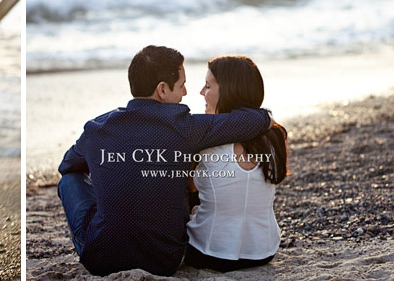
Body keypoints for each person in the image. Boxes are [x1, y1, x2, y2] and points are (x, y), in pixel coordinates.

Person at [57, 46, 274, 277]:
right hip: (164, 261)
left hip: (101, 259)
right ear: (162, 89)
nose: (186, 92)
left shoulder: (97, 129)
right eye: (181, 85)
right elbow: (255, 119)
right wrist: (268, 117)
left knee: (70, 180)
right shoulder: (186, 127)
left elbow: (67, 166)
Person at [184, 55, 288, 272]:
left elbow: (190, 190)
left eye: (208, 86)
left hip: (208, 251)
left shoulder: (206, 141)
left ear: (228, 90)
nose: (202, 92)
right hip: (264, 250)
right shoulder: (275, 137)